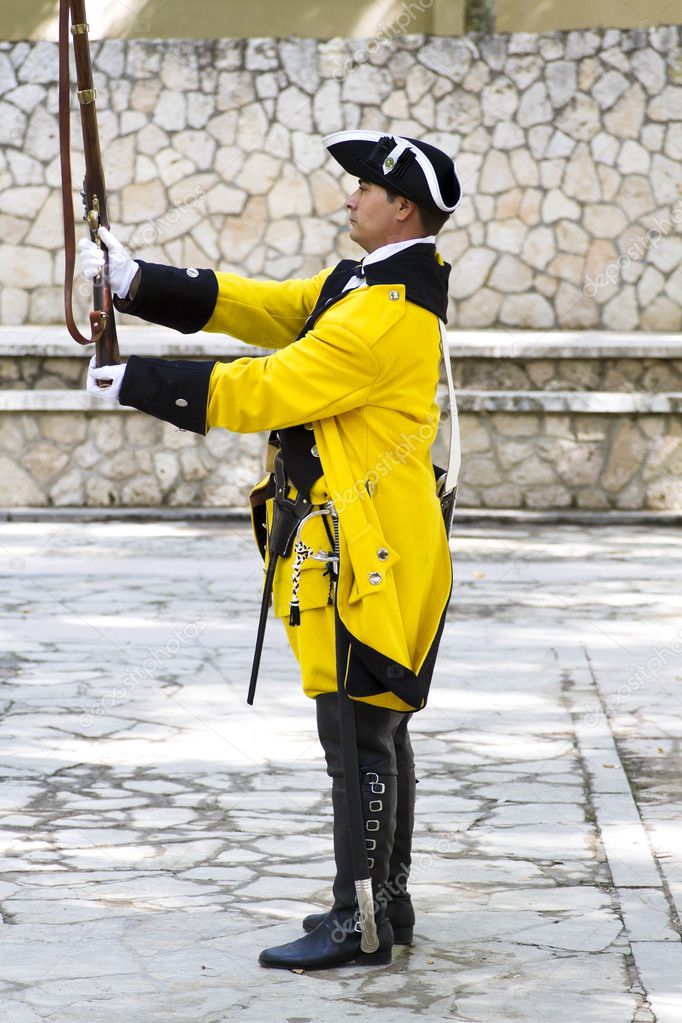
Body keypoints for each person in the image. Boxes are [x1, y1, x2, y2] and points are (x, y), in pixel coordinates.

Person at [80, 129, 462, 970]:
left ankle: (354, 921)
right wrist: (139, 282)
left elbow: (271, 385)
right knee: (378, 727)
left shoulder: (381, 314)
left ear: (402, 206)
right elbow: (264, 306)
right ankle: (384, 906)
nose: (348, 195)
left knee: (357, 733)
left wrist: (138, 383)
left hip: (366, 554)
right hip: (381, 543)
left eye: (363, 186)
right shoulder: (363, 286)